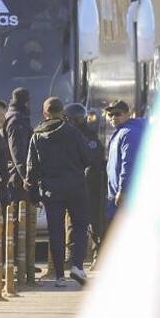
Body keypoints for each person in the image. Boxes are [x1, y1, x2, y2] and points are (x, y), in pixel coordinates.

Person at [26, 97, 91, 288]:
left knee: (55, 231)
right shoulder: (73, 132)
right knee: (79, 227)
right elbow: (87, 158)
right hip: (76, 188)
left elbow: (32, 168)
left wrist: (33, 194)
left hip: (51, 190)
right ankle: (77, 265)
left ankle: (59, 276)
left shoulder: (36, 136)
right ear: (63, 113)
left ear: (45, 113)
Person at [66, 102, 105, 261]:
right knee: (75, 221)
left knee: (92, 220)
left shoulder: (89, 137)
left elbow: (95, 160)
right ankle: (72, 256)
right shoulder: (67, 136)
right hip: (77, 184)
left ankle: (94, 254)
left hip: (88, 184)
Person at [104, 100, 147, 221]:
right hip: (119, 196)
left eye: (117, 114)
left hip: (126, 197)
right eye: (110, 115)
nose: (113, 117)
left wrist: (123, 190)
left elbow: (128, 164)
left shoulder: (129, 133)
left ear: (128, 114)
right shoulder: (122, 132)